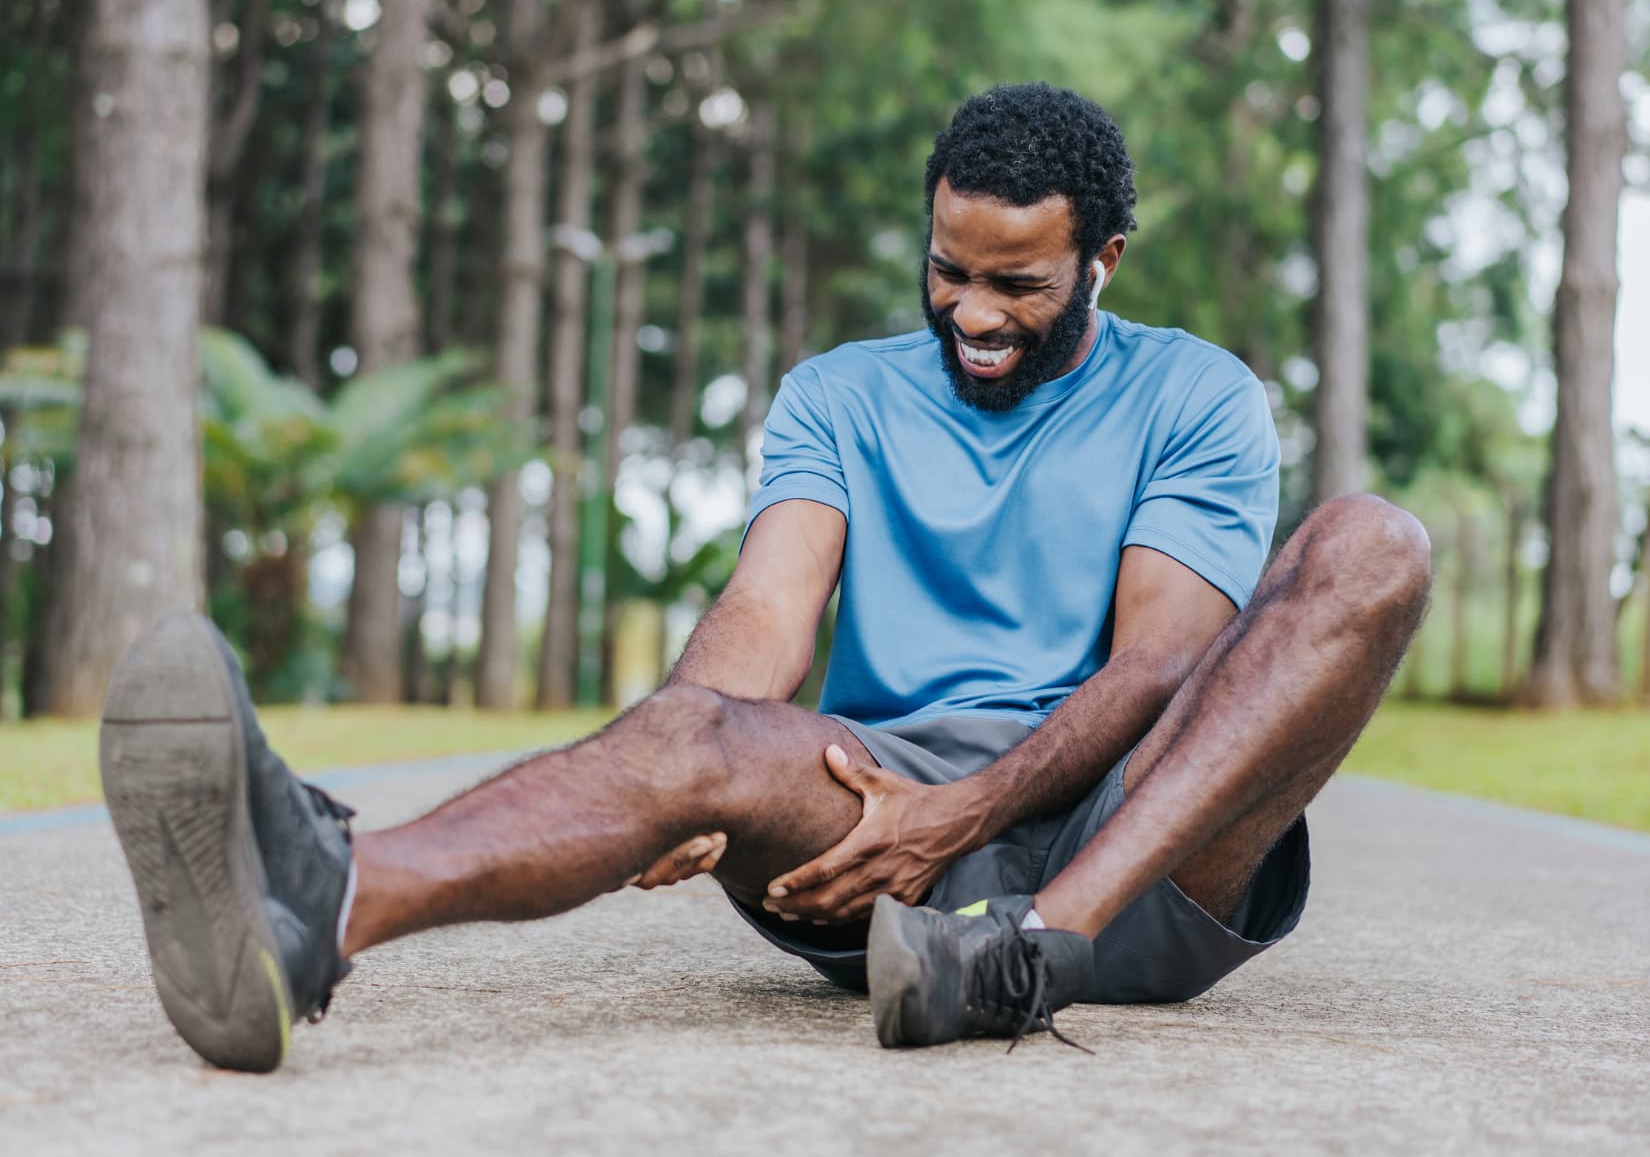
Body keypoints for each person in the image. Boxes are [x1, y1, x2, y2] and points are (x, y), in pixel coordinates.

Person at [100, 83, 1431, 1072]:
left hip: (1132, 842)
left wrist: (966, 814)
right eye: (947, 269)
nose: (972, 313)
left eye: (1016, 285)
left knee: (1373, 541)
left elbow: (1155, 670)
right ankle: (319, 901)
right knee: (692, 725)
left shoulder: (1192, 395)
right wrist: (683, 753)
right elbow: (765, 611)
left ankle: (1030, 954)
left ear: (1104, 262)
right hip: (872, 821)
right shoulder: (839, 396)